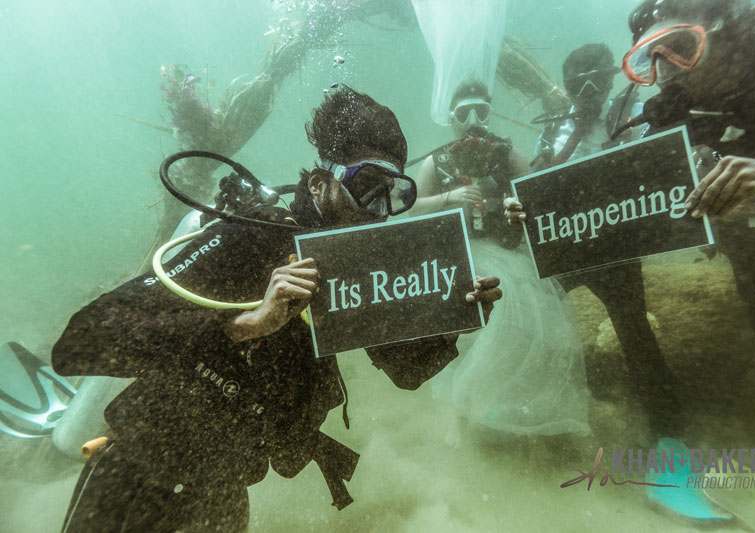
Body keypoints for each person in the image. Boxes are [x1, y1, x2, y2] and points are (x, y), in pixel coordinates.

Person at [52, 86, 502, 532]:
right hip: (138, 473)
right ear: (318, 183)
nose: (378, 211)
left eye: (394, 194)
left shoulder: (359, 271)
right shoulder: (248, 236)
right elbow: (84, 340)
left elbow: (405, 370)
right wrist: (243, 324)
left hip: (222, 490)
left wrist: (455, 319)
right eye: (366, 188)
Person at [504, 44, 686, 443]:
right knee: (537, 326)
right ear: (567, 88)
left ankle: (668, 431)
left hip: (614, 248)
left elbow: (660, 165)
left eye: (598, 80)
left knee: (635, 332)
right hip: (566, 249)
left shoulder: (632, 117)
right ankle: (526, 413)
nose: (589, 91)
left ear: (610, 79)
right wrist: (519, 207)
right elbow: (535, 186)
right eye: (577, 84)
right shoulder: (554, 128)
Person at [411, 80, 591, 438]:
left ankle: (509, 410)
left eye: (482, 110)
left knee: (520, 317)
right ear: (451, 118)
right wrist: (450, 198)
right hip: (457, 254)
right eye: (464, 113)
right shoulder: (438, 160)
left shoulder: (508, 155)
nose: (473, 119)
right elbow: (413, 206)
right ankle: (464, 411)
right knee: (467, 326)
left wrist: (518, 209)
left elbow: (538, 200)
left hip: (507, 252)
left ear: (491, 113)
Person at [622, 0, 755, 338]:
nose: (667, 71)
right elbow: (615, 184)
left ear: (725, 32)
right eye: (648, 60)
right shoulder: (684, 110)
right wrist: (539, 209)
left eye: (680, 47)